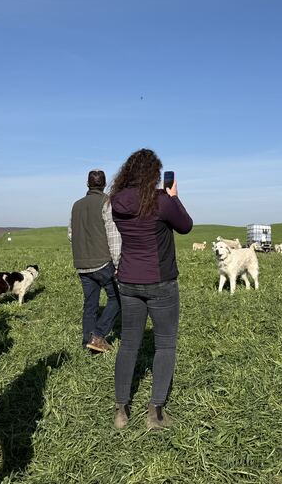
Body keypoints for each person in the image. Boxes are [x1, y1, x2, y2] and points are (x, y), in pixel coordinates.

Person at [109, 149, 192, 429]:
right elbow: (186, 226)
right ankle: (155, 413)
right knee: (165, 345)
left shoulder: (116, 201)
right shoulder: (160, 201)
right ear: (154, 175)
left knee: (129, 345)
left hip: (128, 281)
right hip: (161, 282)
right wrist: (174, 197)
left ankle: (121, 410)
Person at [68, 169, 121, 353]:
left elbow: (70, 234)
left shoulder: (76, 205)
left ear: (87, 184)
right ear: (104, 183)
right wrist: (118, 263)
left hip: (82, 264)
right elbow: (113, 235)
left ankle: (86, 343)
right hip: (103, 262)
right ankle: (98, 335)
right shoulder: (107, 202)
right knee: (117, 299)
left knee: (90, 305)